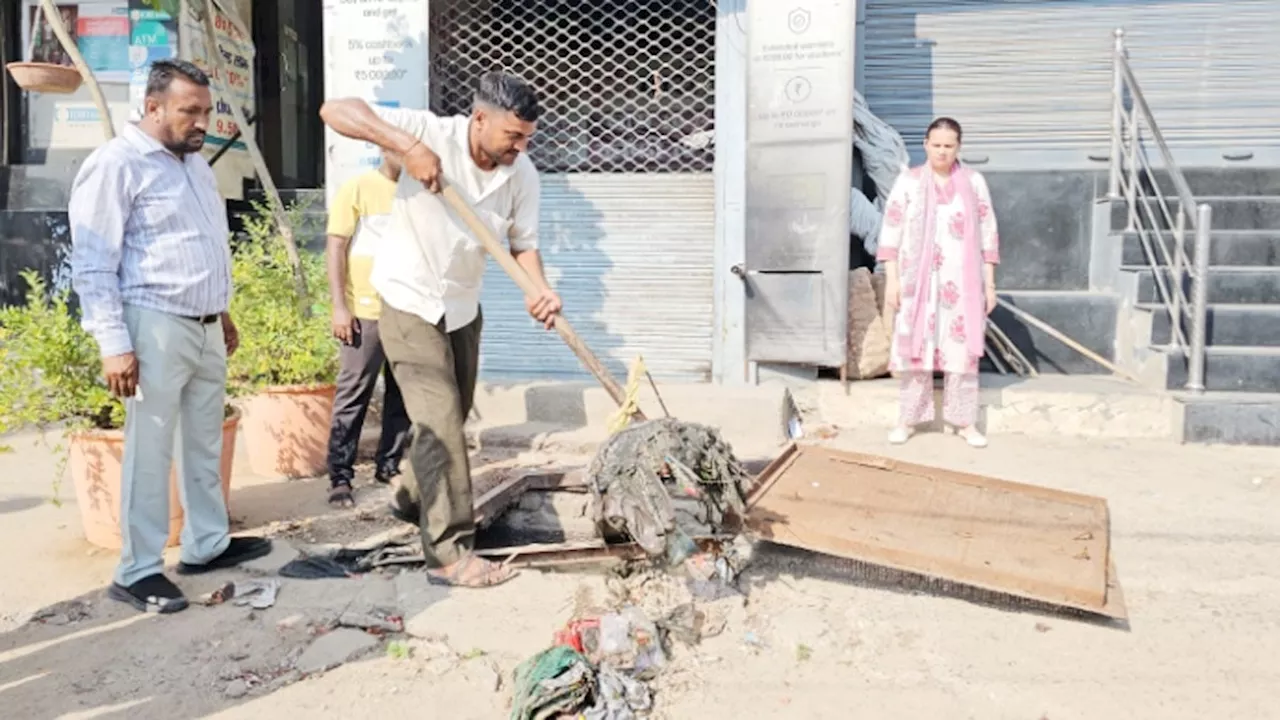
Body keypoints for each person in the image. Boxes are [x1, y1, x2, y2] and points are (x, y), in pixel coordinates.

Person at [319, 71, 562, 588]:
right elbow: (334, 109)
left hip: (462, 306)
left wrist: (537, 290)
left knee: (448, 416)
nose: (520, 147)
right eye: (511, 136)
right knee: (443, 421)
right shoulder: (431, 132)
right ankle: (449, 555)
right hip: (408, 300)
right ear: (479, 120)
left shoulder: (521, 174)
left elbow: (524, 243)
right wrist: (407, 147)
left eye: (527, 138)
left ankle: (411, 499)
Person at [69, 59, 272, 614]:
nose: (201, 121)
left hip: (205, 326)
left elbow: (203, 243)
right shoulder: (118, 164)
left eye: (206, 111)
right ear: (152, 107)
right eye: (189, 111)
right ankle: (136, 570)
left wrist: (222, 310)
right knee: (150, 451)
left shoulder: (194, 166)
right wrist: (114, 343)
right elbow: (92, 263)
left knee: (203, 442)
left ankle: (207, 545)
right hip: (153, 324)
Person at [877, 117, 1000, 449]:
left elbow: (988, 234)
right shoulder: (908, 182)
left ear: (958, 147)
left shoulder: (974, 183)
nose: (942, 152)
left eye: (949, 146)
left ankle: (964, 422)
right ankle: (908, 420)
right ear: (925, 144)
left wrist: (990, 285)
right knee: (915, 353)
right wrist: (892, 280)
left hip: (962, 286)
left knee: (961, 355)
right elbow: (891, 231)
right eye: (937, 145)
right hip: (918, 285)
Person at [324, 151, 412, 507]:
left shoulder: (417, 195)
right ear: (382, 149)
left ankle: (388, 466)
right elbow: (336, 247)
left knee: (401, 395)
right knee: (353, 395)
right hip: (364, 312)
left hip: (406, 310)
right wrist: (339, 306)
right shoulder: (358, 187)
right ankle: (340, 478)